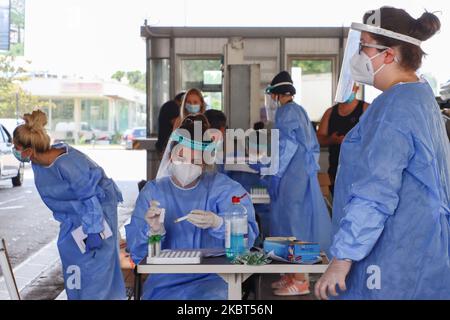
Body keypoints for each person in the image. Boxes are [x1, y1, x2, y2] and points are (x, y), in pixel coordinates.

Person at [315, 7, 450, 300]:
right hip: (420, 250)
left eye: (364, 46)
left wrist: (342, 259)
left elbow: (375, 191)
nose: (359, 55)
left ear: (388, 54)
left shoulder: (396, 108)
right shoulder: (418, 95)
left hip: (393, 257)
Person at [125, 114, 259, 300]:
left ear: (205, 163)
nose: (188, 165)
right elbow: (138, 254)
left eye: (196, 160)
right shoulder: (153, 193)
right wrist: (153, 232)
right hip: (164, 283)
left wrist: (219, 223)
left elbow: (247, 240)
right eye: (182, 157)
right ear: (171, 155)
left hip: (213, 279)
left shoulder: (224, 189)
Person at [12, 110, 126, 300]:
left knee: (96, 277)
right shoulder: (38, 162)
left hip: (96, 221)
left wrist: (94, 230)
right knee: (76, 275)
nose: (13, 150)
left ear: (28, 150)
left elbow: (91, 198)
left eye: (15, 146)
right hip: (72, 224)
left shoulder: (69, 164)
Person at [254, 71, 332, 296]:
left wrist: (271, 169)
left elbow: (286, 148)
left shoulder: (286, 113)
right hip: (300, 175)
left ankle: (300, 279)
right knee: (291, 224)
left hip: (292, 178)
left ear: (277, 95)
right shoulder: (299, 111)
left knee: (293, 226)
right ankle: (290, 274)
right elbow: (310, 147)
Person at [317, 84, 369, 194]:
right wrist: (332, 140)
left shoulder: (366, 109)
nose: (347, 91)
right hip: (336, 171)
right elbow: (319, 139)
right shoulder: (330, 113)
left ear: (356, 88)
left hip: (360, 171)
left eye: (350, 87)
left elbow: (376, 138)